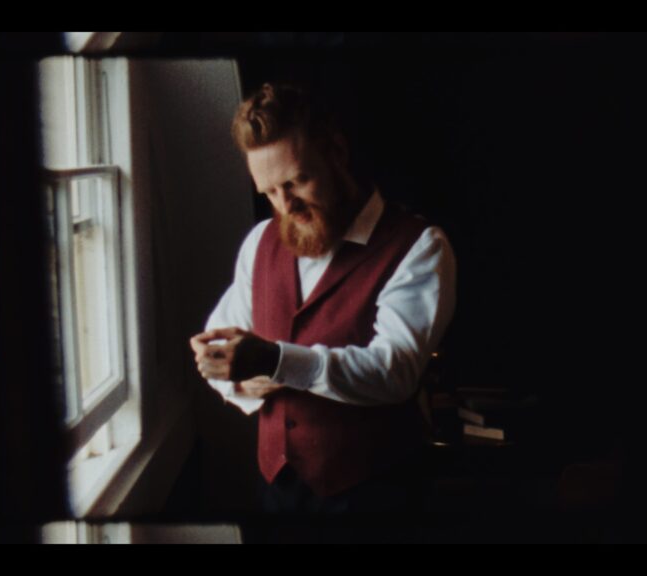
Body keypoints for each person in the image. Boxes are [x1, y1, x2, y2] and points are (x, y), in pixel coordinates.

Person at [189, 83, 456, 534]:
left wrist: (275, 361)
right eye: (269, 191)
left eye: (295, 182)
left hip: (378, 497)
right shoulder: (259, 243)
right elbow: (224, 343)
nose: (285, 206)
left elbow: (394, 372)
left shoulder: (419, 246)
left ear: (336, 151)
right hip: (276, 491)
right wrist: (225, 370)